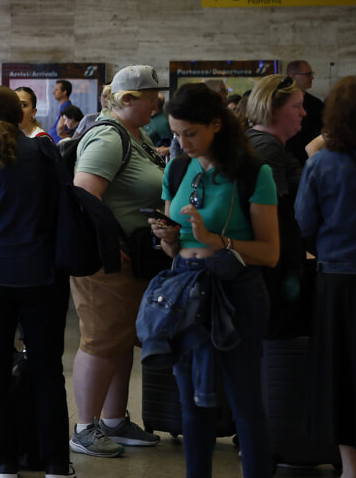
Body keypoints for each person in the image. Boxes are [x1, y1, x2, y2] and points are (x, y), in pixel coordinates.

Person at [147, 82, 279, 478]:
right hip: (185, 287)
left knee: (245, 403)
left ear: (217, 125)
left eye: (191, 133)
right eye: (176, 133)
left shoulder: (254, 171)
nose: (182, 142)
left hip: (235, 289)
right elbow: (173, 249)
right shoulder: (178, 167)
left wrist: (215, 240)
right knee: (193, 404)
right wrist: (168, 238)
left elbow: (270, 253)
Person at [0, 86, 73, 478]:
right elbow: (63, 210)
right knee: (46, 368)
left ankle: (3, 461)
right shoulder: (44, 153)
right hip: (40, 275)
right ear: (23, 117)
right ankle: (55, 462)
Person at [69, 65, 167, 459]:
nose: (157, 104)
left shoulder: (135, 135)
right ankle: (85, 426)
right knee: (100, 339)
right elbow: (83, 195)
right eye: (151, 98)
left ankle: (113, 420)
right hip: (106, 261)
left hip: (131, 259)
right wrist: (108, 243)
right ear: (128, 100)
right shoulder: (109, 137)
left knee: (121, 339)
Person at [295, 77, 356, 478]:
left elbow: (304, 225)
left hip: (338, 283)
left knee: (344, 376)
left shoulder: (322, 163)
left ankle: (352, 469)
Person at [242, 74, 308, 339]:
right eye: (297, 106)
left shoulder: (261, 143)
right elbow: (275, 216)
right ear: (273, 109)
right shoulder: (267, 149)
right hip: (272, 270)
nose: (303, 112)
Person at [283, 60, 325, 165]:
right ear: (293, 77)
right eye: (308, 74)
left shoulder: (316, 104)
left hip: (309, 159)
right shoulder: (280, 102)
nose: (312, 77)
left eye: (311, 74)